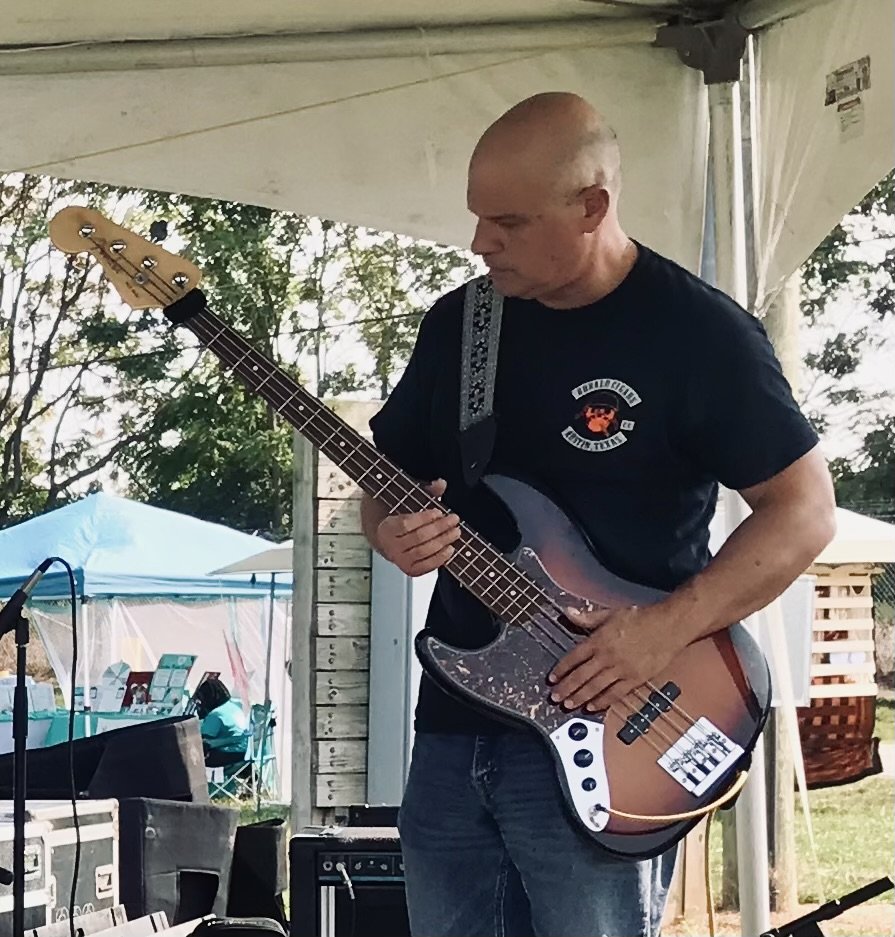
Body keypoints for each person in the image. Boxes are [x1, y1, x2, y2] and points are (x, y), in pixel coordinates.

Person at [360, 91, 837, 937]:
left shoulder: (697, 334)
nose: (479, 243)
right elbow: (389, 479)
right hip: (454, 729)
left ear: (592, 207)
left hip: (618, 727)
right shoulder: (461, 328)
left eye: (506, 221)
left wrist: (661, 629)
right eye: (476, 218)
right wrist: (386, 527)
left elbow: (802, 512)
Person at [193, 676, 248, 768]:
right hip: (245, 750)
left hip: (230, 752)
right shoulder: (234, 706)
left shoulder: (215, 715)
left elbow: (206, 741)